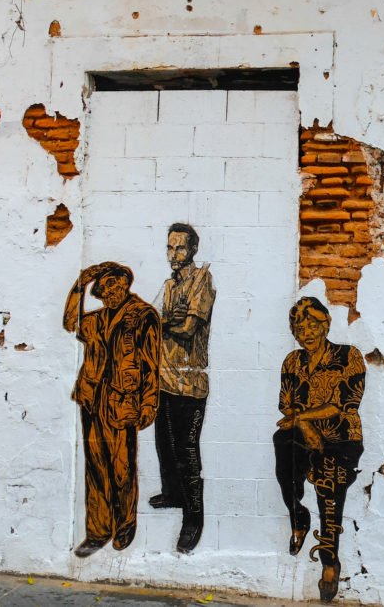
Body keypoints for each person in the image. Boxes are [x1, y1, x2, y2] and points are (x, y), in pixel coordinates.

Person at [62, 262, 160, 558]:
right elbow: (70, 323)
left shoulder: (142, 316)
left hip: (123, 400)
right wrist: (79, 284)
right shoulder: (96, 320)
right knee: (96, 468)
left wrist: (149, 402)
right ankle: (98, 531)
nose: (111, 293)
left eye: (115, 286)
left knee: (122, 469)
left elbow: (152, 364)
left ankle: (125, 525)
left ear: (125, 285)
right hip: (92, 398)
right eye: (105, 289)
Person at [274, 297, 365, 603]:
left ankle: (330, 562)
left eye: (313, 324)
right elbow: (285, 405)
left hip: (341, 438)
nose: (307, 331)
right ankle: (299, 517)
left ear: (326, 324)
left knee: (329, 492)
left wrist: (302, 418)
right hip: (302, 435)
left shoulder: (348, 356)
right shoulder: (292, 362)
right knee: (282, 451)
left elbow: (343, 404)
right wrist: (302, 424)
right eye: (300, 327)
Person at [149, 223, 216, 553]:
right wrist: (164, 321)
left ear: (192, 250)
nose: (173, 254)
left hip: (190, 383)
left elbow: (188, 328)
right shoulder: (168, 285)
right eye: (169, 247)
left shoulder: (202, 280)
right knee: (164, 443)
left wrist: (165, 322)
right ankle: (172, 494)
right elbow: (152, 323)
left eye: (179, 248)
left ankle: (194, 519)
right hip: (164, 379)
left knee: (188, 453)